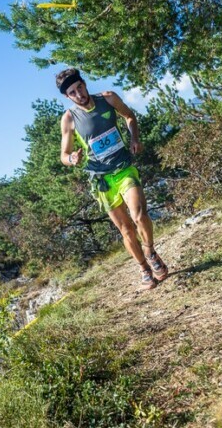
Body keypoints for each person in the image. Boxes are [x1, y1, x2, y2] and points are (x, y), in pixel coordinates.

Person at [57, 68, 168, 290]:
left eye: (79, 87)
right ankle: (144, 269)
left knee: (139, 214)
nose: (79, 94)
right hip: (101, 180)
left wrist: (134, 138)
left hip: (124, 168)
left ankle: (150, 250)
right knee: (126, 230)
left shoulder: (107, 98)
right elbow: (63, 156)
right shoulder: (69, 118)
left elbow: (129, 116)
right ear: (67, 97)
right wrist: (72, 158)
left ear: (84, 84)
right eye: (72, 93)